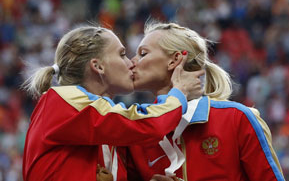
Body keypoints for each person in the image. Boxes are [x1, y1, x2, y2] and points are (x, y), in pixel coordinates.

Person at [21, 25, 204, 181]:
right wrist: (179, 92)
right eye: (122, 54)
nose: (131, 63)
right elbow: (147, 124)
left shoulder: (104, 121)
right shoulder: (61, 101)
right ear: (98, 66)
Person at [127, 21, 285, 181]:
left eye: (143, 53)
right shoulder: (136, 130)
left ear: (174, 60)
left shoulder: (237, 119)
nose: (130, 62)